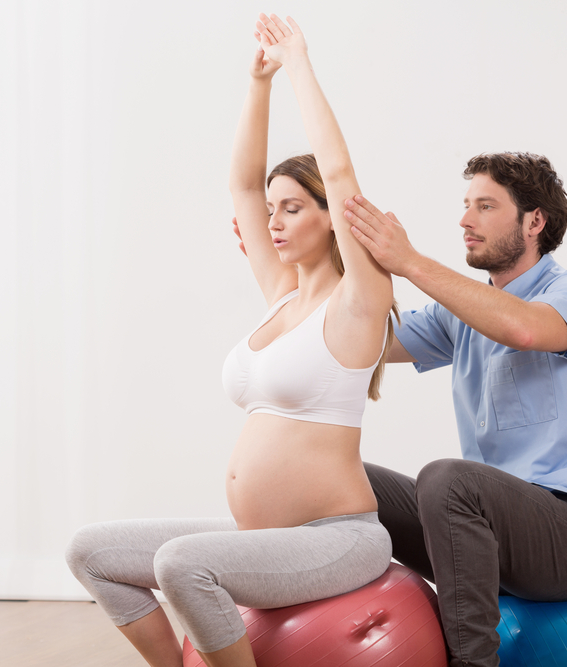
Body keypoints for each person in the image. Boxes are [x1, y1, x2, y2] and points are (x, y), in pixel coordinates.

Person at [66, 15, 398, 667]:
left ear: (332, 216)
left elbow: (337, 169)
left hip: (337, 537)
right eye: (272, 209)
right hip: (265, 536)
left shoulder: (359, 302)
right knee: (91, 551)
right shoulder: (280, 292)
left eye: (293, 207)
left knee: (182, 563)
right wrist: (258, 85)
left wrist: (299, 62)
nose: (271, 220)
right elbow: (241, 185)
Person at [338, 154, 567, 667]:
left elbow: (520, 327)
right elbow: (359, 338)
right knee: (338, 474)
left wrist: (409, 261)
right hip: (492, 535)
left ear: (534, 221)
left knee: (448, 479)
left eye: (485, 206)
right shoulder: (459, 314)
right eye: (465, 205)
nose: (465, 220)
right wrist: (304, 259)